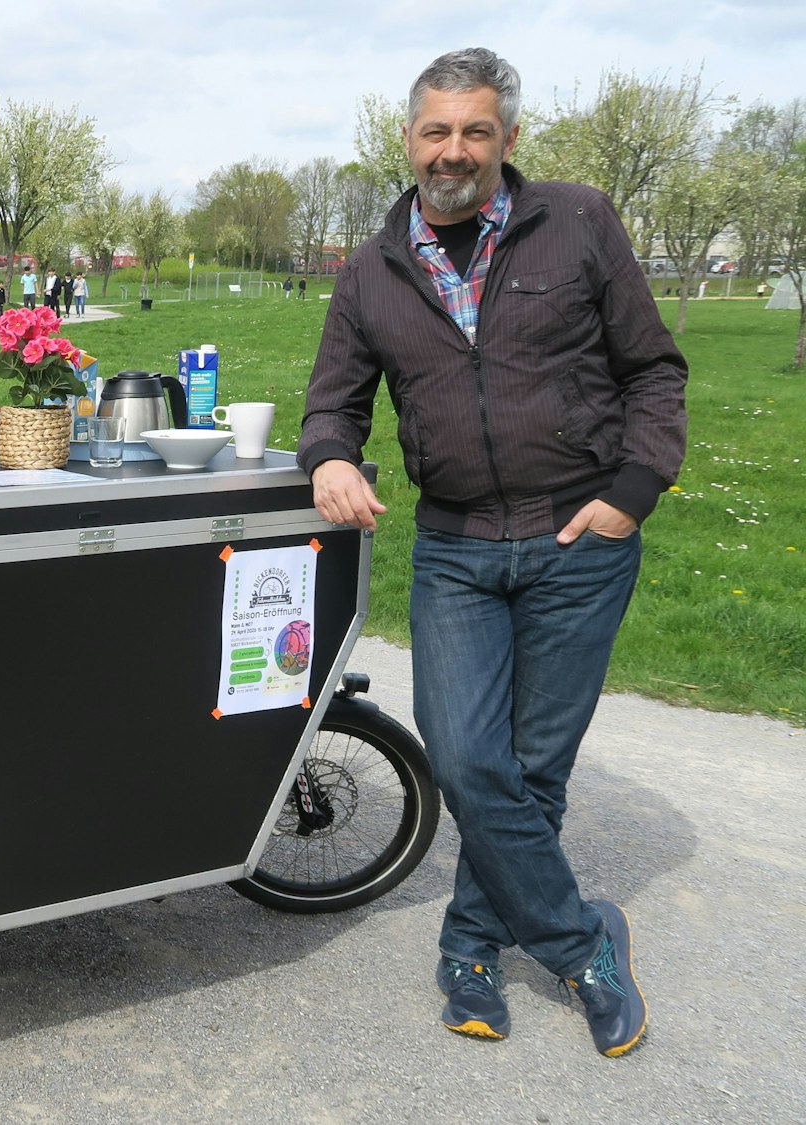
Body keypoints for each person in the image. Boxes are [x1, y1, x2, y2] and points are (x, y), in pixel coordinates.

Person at [301, 47, 685, 1058]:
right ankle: (581, 942)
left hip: (577, 541)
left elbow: (651, 368)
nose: (454, 151)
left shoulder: (577, 222)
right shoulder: (371, 269)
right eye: (436, 131)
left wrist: (632, 493)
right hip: (457, 549)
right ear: (407, 139)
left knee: (532, 770)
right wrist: (329, 459)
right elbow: (329, 401)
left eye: (475, 131)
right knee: (470, 762)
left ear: (507, 140)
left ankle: (469, 943)